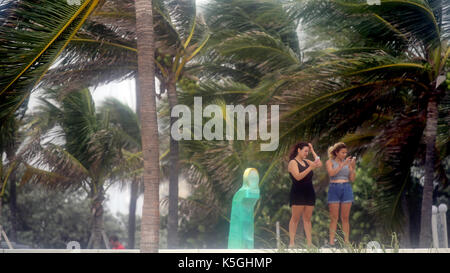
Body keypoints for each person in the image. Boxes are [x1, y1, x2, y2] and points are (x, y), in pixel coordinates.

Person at [288, 142, 322, 247]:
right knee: (295, 218)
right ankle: (292, 243)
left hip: (309, 192)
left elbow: (319, 164)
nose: (306, 153)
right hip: (298, 192)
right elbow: (298, 177)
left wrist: (312, 150)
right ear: (299, 150)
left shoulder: (307, 161)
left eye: (308, 151)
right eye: (305, 151)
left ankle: (309, 243)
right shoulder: (293, 163)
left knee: (307, 219)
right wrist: (310, 168)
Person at [325, 142, 356, 247]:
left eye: (346, 153)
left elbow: (352, 179)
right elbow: (331, 173)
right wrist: (343, 164)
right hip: (334, 188)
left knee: (345, 217)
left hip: (346, 188)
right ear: (337, 152)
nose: (345, 154)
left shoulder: (347, 163)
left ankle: (346, 242)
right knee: (334, 217)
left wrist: (352, 167)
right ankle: (331, 242)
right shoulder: (329, 162)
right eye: (343, 152)